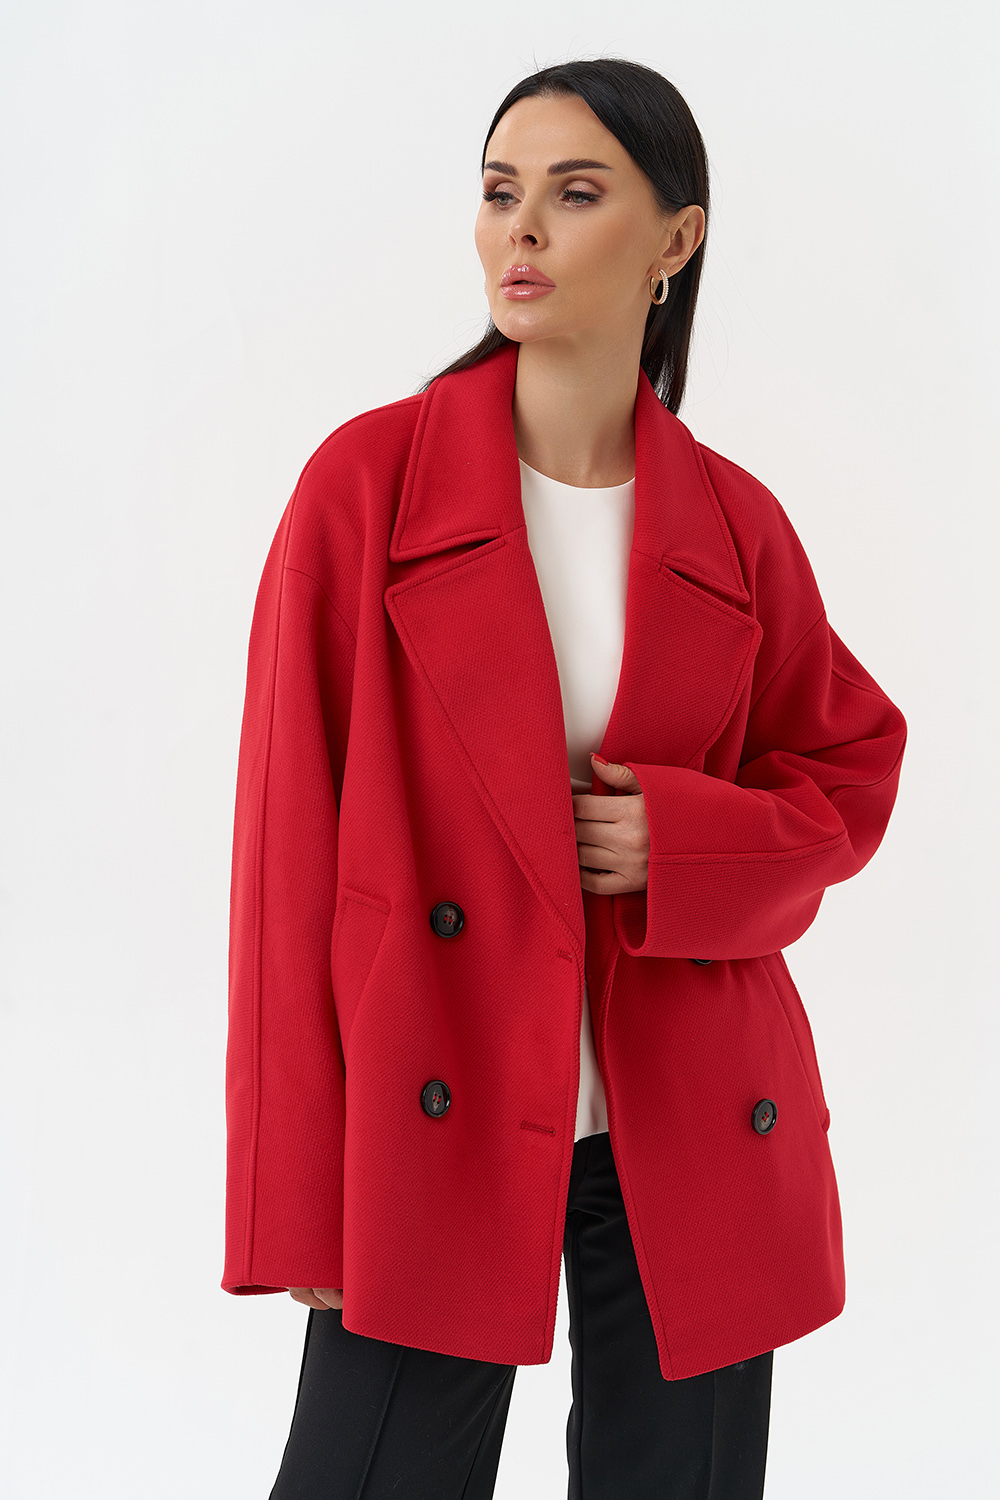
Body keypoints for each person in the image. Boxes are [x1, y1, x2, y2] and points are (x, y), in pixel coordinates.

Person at [223, 58, 907, 1500]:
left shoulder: (733, 523)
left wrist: (686, 846)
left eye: (575, 193)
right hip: (434, 1106)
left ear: (676, 241)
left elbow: (848, 764)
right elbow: (286, 861)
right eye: (499, 191)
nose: (520, 230)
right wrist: (297, 1204)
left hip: (691, 1119)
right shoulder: (368, 488)